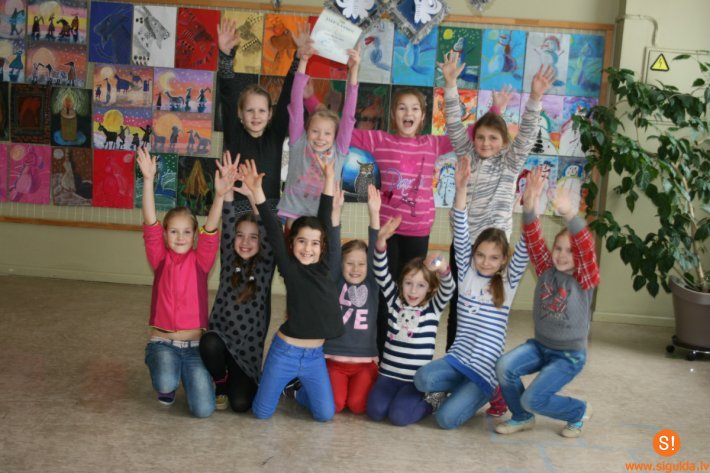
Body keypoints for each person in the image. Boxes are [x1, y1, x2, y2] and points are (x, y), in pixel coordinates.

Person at [440, 51, 557, 415]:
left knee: (490, 318)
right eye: (481, 138)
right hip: (466, 248)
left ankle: (493, 382)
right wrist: (450, 84)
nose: (486, 143)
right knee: (459, 313)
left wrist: (535, 97)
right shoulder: (467, 155)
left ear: (504, 141)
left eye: (493, 138)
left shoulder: (510, 161)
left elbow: (527, 135)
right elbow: (454, 123)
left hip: (496, 253)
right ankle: (457, 370)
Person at [414, 156, 529, 429]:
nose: (486, 262)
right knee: (422, 379)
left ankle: (494, 390)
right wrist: (461, 187)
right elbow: (461, 226)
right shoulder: (466, 273)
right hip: (459, 359)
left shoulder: (508, 283)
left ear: (503, 260)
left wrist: (531, 204)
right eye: (480, 255)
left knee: (445, 420)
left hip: (485, 370)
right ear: (473, 254)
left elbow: (526, 245)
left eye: (494, 257)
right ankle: (460, 388)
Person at [495, 167, 600, 438]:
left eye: (570, 251)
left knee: (533, 398)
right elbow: (533, 237)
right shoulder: (545, 269)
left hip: (569, 356)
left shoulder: (585, 278)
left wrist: (570, 214)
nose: (562, 255)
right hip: (541, 346)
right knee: (504, 367)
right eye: (559, 248)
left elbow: (586, 246)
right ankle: (522, 417)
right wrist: (530, 204)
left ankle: (578, 411)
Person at [239, 158, 343, 422]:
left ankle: (294, 390)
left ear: (322, 246)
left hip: (314, 357)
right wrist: (257, 192)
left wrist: (329, 178)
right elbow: (274, 230)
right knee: (262, 413)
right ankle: (281, 381)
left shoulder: (326, 266)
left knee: (325, 414)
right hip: (285, 352)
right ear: (292, 244)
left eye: (314, 243)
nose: (308, 248)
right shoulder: (290, 268)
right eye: (301, 241)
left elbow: (325, 219)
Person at [136, 146, 237, 418]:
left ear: (194, 236)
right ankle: (168, 379)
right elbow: (150, 222)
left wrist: (219, 196)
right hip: (163, 343)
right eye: (173, 231)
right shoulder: (159, 259)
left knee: (203, 410)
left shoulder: (201, 261)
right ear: (165, 235)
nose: (180, 237)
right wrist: (148, 180)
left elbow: (211, 228)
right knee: (166, 381)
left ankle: (186, 375)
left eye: (186, 232)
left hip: (194, 348)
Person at [199, 152, 275, 413]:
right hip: (220, 340)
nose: (245, 242)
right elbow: (229, 219)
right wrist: (227, 188)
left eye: (253, 237)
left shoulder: (264, 266)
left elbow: (267, 228)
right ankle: (220, 382)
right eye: (240, 236)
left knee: (242, 405)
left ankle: (233, 377)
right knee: (208, 343)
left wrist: (254, 195)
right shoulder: (230, 260)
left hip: (246, 353)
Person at [366, 212, 454, 426]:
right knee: (375, 412)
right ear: (400, 283)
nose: (413, 291)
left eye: (421, 285)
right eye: (408, 283)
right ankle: (397, 398)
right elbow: (380, 271)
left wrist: (441, 266)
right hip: (388, 376)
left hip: (414, 381)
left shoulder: (433, 307)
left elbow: (449, 287)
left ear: (430, 288)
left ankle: (433, 400)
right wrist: (381, 241)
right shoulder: (394, 300)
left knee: (399, 417)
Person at [217, 18, 308, 215]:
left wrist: (298, 59)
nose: (256, 116)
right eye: (250, 110)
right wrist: (225, 56)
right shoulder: (235, 135)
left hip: (270, 214)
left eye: (261, 111)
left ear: (270, 114)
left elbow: (287, 97)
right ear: (240, 114)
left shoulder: (274, 136)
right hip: (238, 215)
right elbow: (228, 95)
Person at [313, 183, 381, 414]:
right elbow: (333, 248)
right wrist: (335, 214)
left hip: (364, 363)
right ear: (341, 265)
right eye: (349, 263)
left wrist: (374, 214)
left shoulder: (372, 284)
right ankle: (298, 390)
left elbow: (376, 253)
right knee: (336, 405)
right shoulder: (336, 282)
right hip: (334, 361)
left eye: (361, 264)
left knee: (358, 406)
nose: (355, 269)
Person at [277, 38, 359, 226]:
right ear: (306, 130)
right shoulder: (299, 142)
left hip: (323, 214)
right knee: (293, 245)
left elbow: (348, 117)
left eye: (327, 133)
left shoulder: (339, 150)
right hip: (294, 212)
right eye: (315, 131)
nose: (321, 137)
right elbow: (296, 105)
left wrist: (353, 71)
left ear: (335, 135)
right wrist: (303, 62)